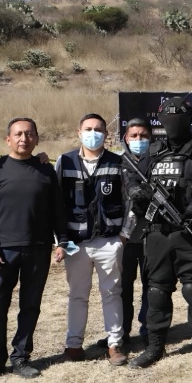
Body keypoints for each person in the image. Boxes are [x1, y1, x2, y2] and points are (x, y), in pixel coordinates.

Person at [126, 97, 192, 369]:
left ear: (191, 119)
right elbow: (134, 176)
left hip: (190, 230)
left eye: (179, 117)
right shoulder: (154, 150)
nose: (174, 123)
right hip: (157, 232)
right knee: (157, 290)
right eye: (168, 117)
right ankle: (155, 346)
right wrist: (135, 191)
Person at [0, 117, 67, 383]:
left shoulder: (46, 171)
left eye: (29, 134)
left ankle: (20, 357)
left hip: (38, 249)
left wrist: (63, 241)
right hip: (3, 252)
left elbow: (58, 211)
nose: (23, 138)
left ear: (36, 139)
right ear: (8, 139)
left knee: (30, 305)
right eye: (18, 134)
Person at [56, 113, 127, 366]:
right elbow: (57, 205)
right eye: (88, 129)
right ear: (79, 132)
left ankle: (115, 344)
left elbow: (129, 201)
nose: (93, 133)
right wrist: (61, 241)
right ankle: (74, 346)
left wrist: (123, 235)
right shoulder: (64, 162)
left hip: (109, 240)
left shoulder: (117, 162)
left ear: (106, 135)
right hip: (76, 243)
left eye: (98, 129)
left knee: (111, 293)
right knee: (77, 295)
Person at [118, 117, 152, 344]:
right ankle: (121, 332)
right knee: (122, 289)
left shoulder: (159, 163)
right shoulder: (116, 164)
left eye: (143, 136)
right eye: (134, 136)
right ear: (125, 139)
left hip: (152, 237)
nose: (138, 140)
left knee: (152, 287)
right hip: (124, 238)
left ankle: (149, 330)